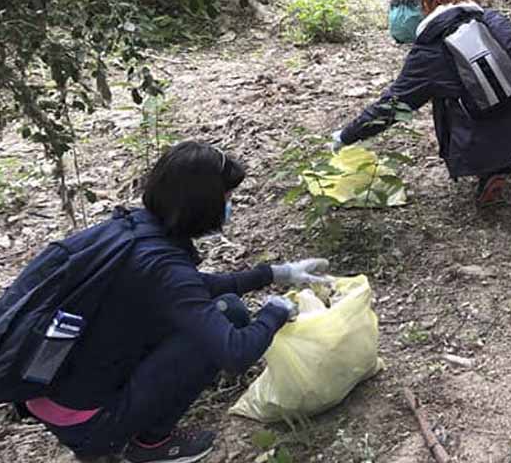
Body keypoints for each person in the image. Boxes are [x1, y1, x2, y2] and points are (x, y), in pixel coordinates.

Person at [20, 141, 331, 463]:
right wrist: (275, 312)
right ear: (204, 203)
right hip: (90, 423)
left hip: (52, 390)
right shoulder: (163, 266)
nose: (230, 205)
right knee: (212, 337)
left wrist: (274, 273)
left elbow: (192, 288)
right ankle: (150, 444)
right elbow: (237, 353)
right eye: (227, 197)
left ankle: (129, 411)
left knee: (230, 309)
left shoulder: (132, 230)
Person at [332, 0, 511, 205]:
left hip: (496, 152)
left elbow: (394, 105)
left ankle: (491, 168)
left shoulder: (429, 51)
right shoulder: (497, 20)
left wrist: (346, 136)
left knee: (448, 96)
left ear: (425, 1)